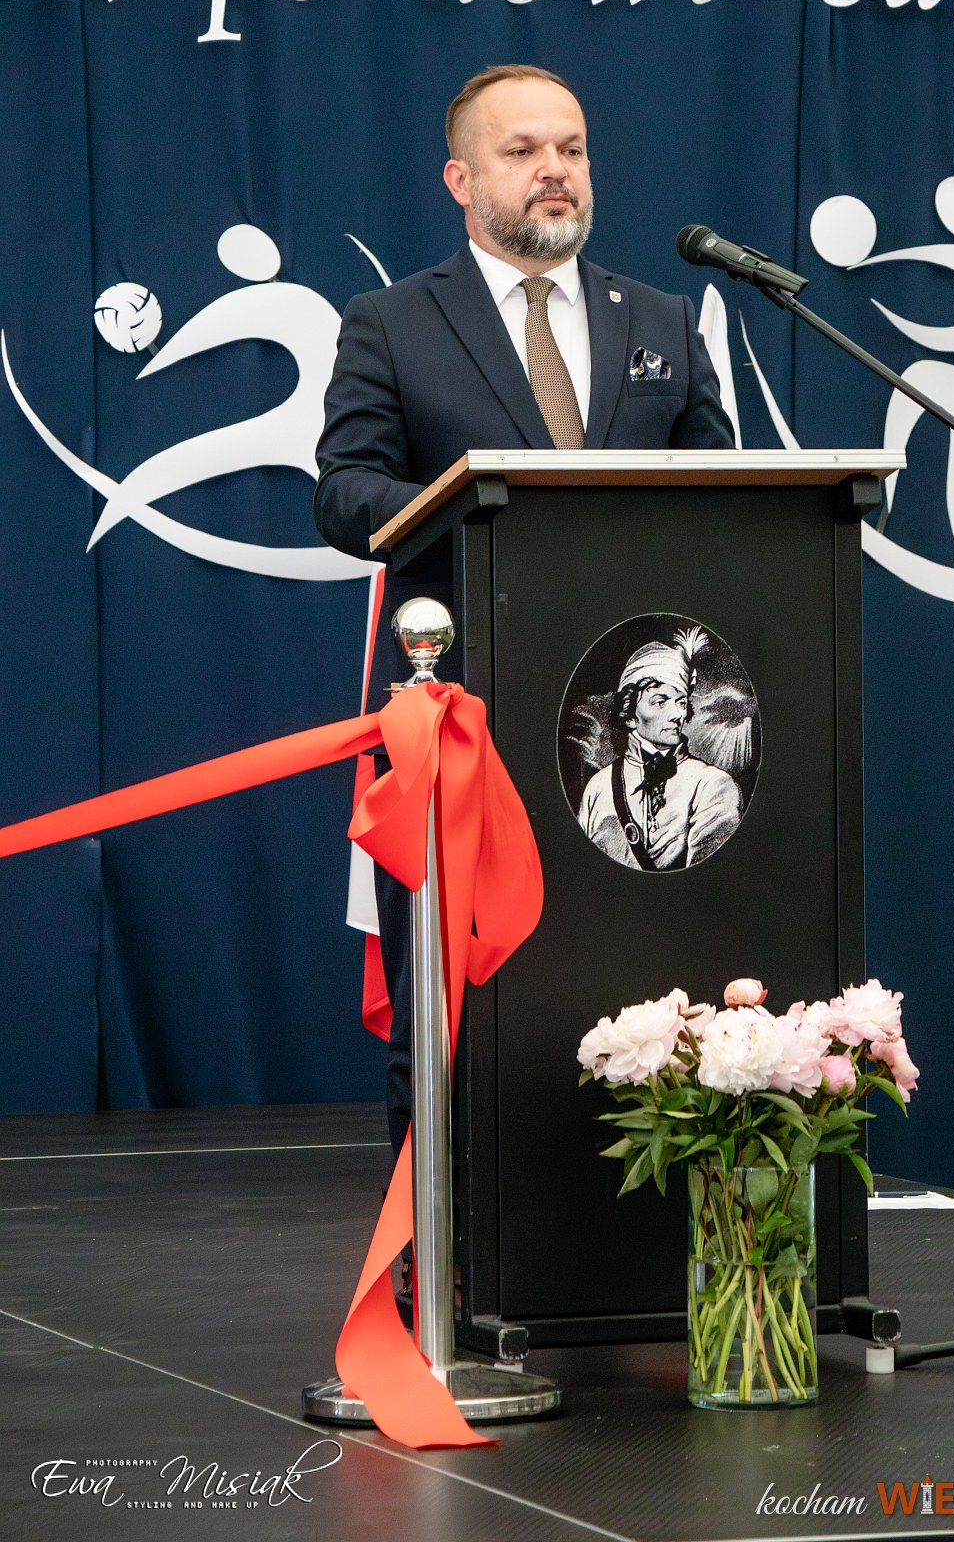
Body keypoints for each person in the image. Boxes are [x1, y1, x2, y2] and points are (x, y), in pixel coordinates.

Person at [314, 64, 735, 1220]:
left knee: (640, 973)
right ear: (460, 179)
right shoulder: (393, 321)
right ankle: (447, 1248)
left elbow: (721, 489)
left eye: (572, 148)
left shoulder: (660, 318)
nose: (555, 170)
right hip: (470, 717)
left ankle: (640, 1246)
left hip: (632, 730)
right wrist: (470, 500)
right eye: (522, 151)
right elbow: (343, 490)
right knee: (458, 993)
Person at [578, 634, 741, 870]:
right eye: (660, 702)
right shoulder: (597, 788)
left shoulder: (713, 784)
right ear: (631, 715)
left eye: (681, 703)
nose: (676, 714)